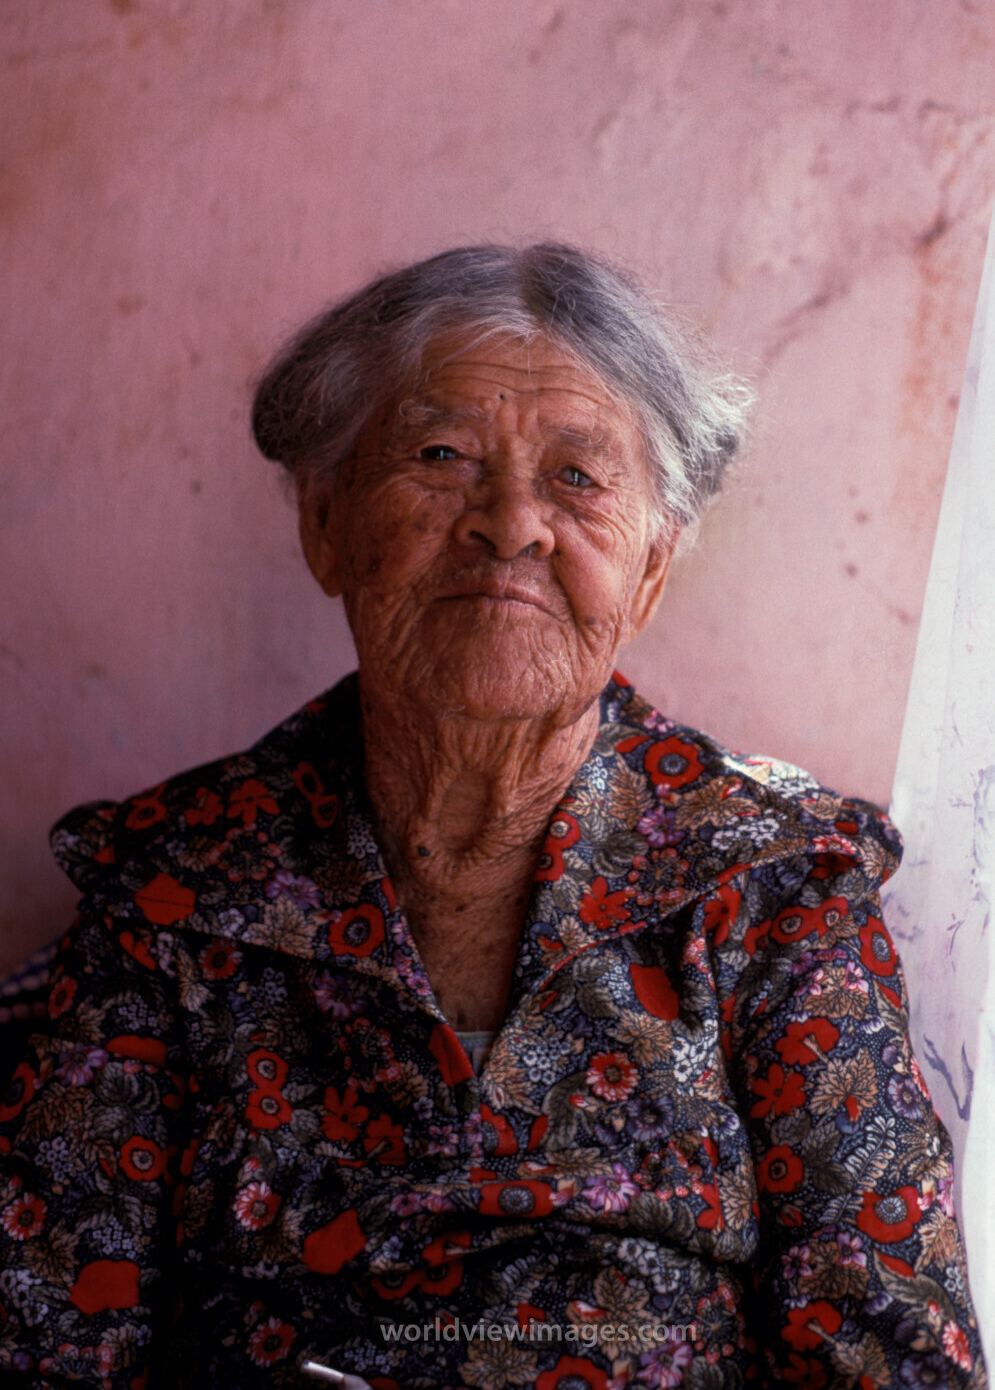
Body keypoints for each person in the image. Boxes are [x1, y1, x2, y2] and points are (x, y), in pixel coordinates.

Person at [0, 244, 986, 1389]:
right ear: (325, 525)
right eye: (441, 456)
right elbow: (47, 1337)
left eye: (577, 477)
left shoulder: (775, 880)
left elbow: (887, 1357)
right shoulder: (170, 889)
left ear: (650, 572)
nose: (510, 523)